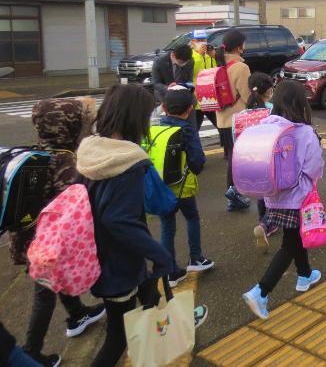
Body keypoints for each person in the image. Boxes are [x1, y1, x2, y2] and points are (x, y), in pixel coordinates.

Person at [75, 84, 207, 367]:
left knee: (148, 286)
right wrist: (158, 253)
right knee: (116, 338)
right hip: (118, 262)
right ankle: (168, 323)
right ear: (135, 118)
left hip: (98, 252)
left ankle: (172, 315)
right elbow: (119, 220)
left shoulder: (91, 151)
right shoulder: (127, 161)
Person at [8, 98, 104, 367]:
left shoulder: (33, 154)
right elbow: (75, 204)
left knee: (52, 281)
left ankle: (77, 313)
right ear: (69, 126)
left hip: (28, 239)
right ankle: (31, 350)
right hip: (47, 245)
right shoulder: (64, 160)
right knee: (44, 294)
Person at [242, 80, 324, 319]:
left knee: (295, 235)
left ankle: (305, 274)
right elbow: (314, 169)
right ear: (301, 104)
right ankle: (261, 291)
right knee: (290, 244)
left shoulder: (265, 127)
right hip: (298, 197)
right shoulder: (305, 132)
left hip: (273, 196)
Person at [158, 86, 214, 288]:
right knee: (191, 217)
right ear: (190, 109)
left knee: (167, 226)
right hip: (182, 187)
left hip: (160, 189)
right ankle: (196, 258)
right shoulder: (187, 131)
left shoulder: (155, 129)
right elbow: (197, 162)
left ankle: (171, 271)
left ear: (163, 108)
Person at [215, 30, 252, 210]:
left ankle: (233, 196)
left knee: (232, 156)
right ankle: (233, 192)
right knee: (236, 159)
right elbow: (247, 96)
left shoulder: (219, 65)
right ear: (239, 47)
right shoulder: (241, 68)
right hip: (238, 121)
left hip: (222, 120)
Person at [243, 72, 280, 251]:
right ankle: (267, 224)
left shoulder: (245, 111)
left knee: (260, 192)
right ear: (270, 90)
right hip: (269, 158)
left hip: (250, 158)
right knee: (272, 194)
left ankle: (262, 219)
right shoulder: (272, 109)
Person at [190, 30, 222, 144]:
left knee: (220, 125)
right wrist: (199, 55)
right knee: (195, 129)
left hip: (211, 97)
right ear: (193, 42)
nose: (202, 42)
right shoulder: (191, 56)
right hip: (197, 98)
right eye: (199, 40)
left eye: (204, 40)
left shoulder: (210, 55)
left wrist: (212, 55)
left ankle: (227, 151)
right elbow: (192, 72)